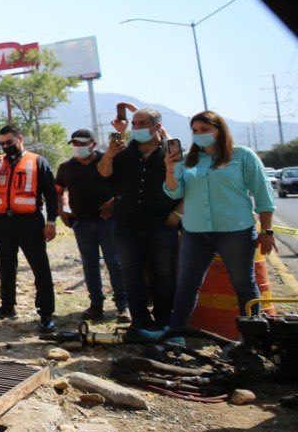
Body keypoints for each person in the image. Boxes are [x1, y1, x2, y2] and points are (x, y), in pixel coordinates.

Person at [164, 112, 275, 330]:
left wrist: (267, 231)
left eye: (205, 129)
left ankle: (253, 338)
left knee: (244, 284)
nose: (199, 135)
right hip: (195, 232)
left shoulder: (242, 155)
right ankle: (175, 334)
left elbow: (263, 195)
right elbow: (174, 193)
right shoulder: (186, 160)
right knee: (186, 285)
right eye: (195, 131)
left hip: (235, 231)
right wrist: (170, 169)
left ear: (219, 130)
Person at [97, 107, 180, 332]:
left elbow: (186, 185)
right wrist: (110, 154)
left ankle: (164, 322)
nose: (136, 128)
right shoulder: (123, 151)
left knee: (163, 275)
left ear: (157, 126)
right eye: (134, 124)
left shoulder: (171, 152)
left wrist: (177, 215)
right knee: (131, 274)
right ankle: (140, 321)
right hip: (126, 225)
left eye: (142, 123)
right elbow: (104, 173)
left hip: (161, 224)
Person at [0, 125, 60, 332]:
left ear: (20, 139)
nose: (6, 146)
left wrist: (51, 222)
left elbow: (51, 195)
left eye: (9, 142)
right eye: (2, 143)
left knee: (39, 267)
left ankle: (46, 313)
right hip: (2, 222)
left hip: (29, 221)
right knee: (6, 265)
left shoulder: (37, 161)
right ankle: (7, 307)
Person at [55, 128, 127, 322]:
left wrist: (114, 202)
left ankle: (123, 306)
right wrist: (62, 212)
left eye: (82, 143)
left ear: (93, 144)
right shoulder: (65, 167)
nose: (78, 147)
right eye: (75, 144)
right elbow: (58, 191)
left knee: (115, 263)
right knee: (90, 264)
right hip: (82, 223)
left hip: (109, 222)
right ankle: (96, 305)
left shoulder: (108, 160)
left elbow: (126, 186)